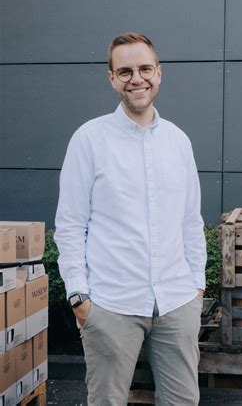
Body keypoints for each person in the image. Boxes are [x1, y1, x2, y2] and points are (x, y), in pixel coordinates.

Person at [54, 32, 206, 405]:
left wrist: (197, 287)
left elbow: (191, 220)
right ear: (111, 78)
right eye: (124, 71)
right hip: (111, 306)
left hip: (176, 302)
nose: (136, 79)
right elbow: (71, 224)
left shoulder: (178, 141)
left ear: (159, 73)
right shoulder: (88, 140)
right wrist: (79, 298)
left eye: (144, 69)